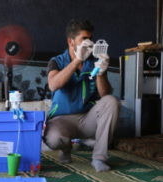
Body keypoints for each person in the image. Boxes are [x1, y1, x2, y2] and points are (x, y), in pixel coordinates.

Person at [43, 19, 120, 172]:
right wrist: (78, 59)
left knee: (111, 101)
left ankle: (99, 158)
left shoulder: (95, 61)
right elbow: (53, 85)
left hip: (87, 118)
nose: (89, 42)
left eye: (90, 38)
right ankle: (66, 149)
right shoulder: (57, 61)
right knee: (53, 139)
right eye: (84, 39)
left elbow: (105, 94)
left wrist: (101, 72)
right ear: (71, 42)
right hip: (62, 119)